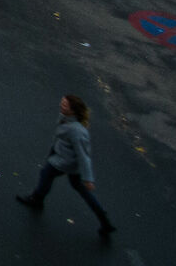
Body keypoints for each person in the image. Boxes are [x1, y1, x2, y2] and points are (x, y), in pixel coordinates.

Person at [17, 94, 113, 235]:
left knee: (46, 173)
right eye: (62, 102)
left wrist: (88, 179)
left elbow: (83, 156)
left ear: (73, 111)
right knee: (81, 189)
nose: (61, 106)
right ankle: (103, 219)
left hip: (64, 162)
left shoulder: (76, 131)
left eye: (65, 105)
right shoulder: (66, 119)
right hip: (69, 163)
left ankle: (37, 199)